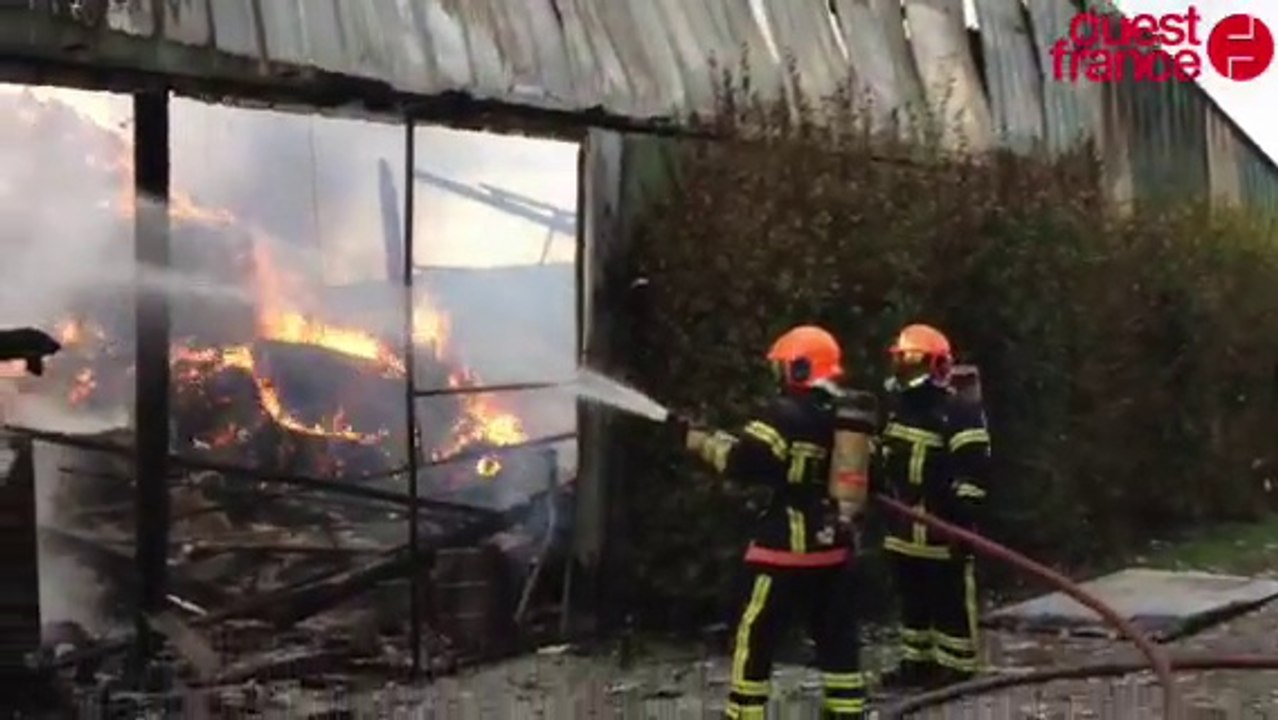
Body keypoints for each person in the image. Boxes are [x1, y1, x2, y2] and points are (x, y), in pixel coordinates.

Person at [668, 325, 869, 719]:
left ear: (798, 369)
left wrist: (698, 441)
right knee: (837, 638)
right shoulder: (849, 418)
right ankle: (846, 711)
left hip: (784, 552)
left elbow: (743, 462)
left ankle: (746, 714)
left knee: (755, 634)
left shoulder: (783, 416)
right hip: (834, 549)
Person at [874, 323, 991, 690]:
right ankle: (917, 661)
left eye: (914, 363)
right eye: (902, 362)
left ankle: (957, 666)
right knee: (912, 601)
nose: (906, 372)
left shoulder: (958, 412)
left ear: (937, 366)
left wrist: (959, 520)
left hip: (943, 531)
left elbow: (974, 473)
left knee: (950, 601)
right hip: (903, 530)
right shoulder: (897, 411)